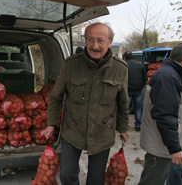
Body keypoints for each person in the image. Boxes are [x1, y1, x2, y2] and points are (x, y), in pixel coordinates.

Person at [44, 22, 129, 185]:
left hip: (102, 132)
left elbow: (123, 102)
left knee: (96, 180)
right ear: (84, 41)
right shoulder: (71, 65)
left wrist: (123, 128)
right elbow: (56, 96)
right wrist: (51, 123)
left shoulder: (120, 68)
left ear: (110, 42)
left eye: (100, 40)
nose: (94, 45)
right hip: (73, 130)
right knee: (67, 174)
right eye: (90, 40)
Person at [138, 43, 182, 185]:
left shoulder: (170, 74)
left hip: (162, 145)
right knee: (152, 181)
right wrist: (175, 148)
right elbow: (165, 116)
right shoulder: (168, 77)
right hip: (160, 148)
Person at [123, 51, 147, 131]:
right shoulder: (140, 65)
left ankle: (124, 125)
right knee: (138, 108)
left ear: (124, 58)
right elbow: (145, 78)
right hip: (138, 90)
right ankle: (137, 125)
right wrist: (141, 86)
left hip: (128, 90)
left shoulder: (124, 65)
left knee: (125, 108)